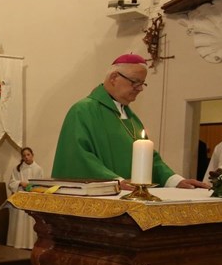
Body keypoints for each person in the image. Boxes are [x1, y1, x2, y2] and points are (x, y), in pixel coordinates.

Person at [52, 53, 208, 190]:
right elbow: (78, 156)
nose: (140, 89)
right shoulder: (83, 110)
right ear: (114, 78)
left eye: (142, 83)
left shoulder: (131, 118)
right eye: (135, 82)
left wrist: (176, 181)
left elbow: (149, 158)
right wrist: (115, 182)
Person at [6, 147, 44, 249]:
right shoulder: (17, 169)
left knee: (30, 222)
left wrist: (33, 187)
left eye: (28, 155)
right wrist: (20, 183)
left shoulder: (38, 169)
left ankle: (30, 244)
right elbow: (11, 183)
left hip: (32, 199)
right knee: (19, 222)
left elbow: (41, 184)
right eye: (24, 155)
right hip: (20, 198)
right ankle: (17, 243)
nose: (26, 157)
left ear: (32, 155)